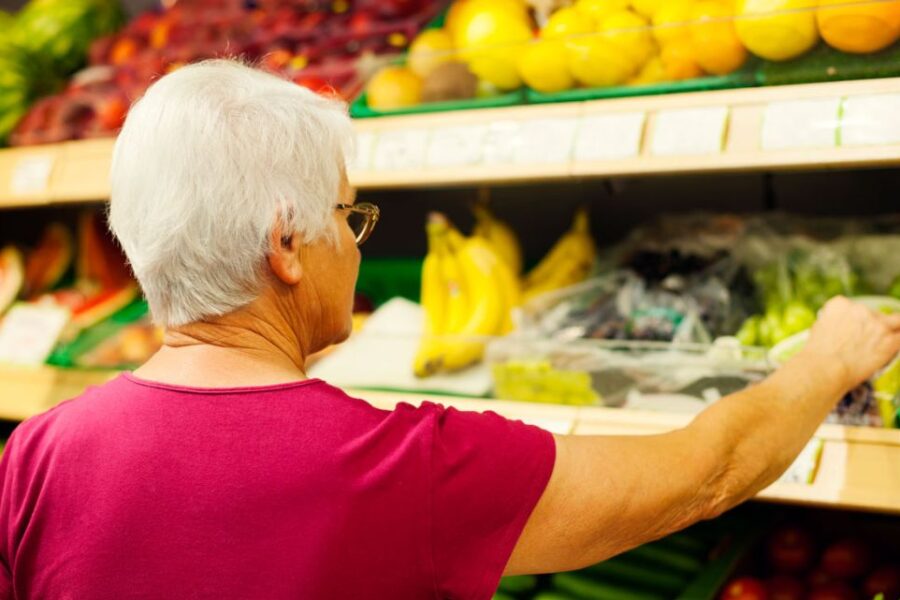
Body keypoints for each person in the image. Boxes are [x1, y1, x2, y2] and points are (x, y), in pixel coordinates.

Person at [1, 60, 898, 600]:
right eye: (348, 221)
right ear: (285, 245)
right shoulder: (403, 468)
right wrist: (824, 362)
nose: (353, 253)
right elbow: (705, 476)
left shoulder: (34, 456)